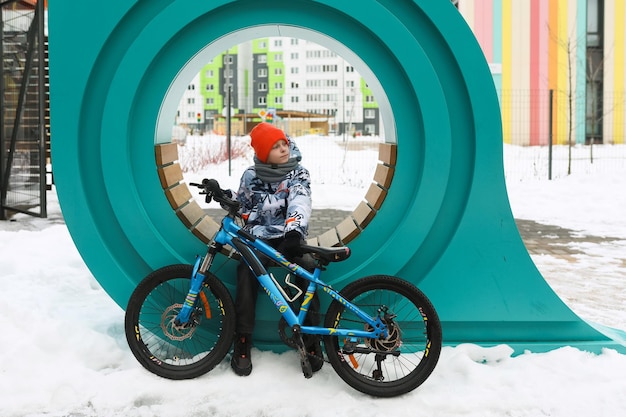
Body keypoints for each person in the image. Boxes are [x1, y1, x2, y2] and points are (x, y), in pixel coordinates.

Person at [230, 122, 323, 377]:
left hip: (289, 236)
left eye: (284, 143)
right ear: (262, 153)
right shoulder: (251, 175)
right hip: (260, 238)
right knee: (246, 270)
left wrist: (294, 232)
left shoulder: (298, 173)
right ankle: (242, 339)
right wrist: (224, 196)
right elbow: (242, 205)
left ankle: (312, 340)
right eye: (275, 146)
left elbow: (300, 200)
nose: (283, 149)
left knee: (306, 269)